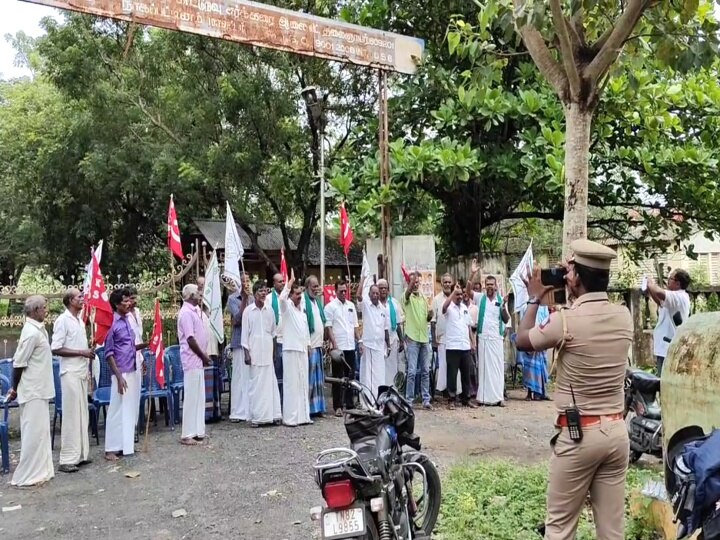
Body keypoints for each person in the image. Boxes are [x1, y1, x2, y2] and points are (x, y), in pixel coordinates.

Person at [515, 239, 633, 540]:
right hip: (617, 434)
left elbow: (523, 340)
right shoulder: (624, 317)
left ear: (577, 278)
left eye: (568, 271)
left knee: (560, 529)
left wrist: (533, 299)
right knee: (611, 533)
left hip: (579, 437)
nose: (564, 275)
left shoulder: (563, 321)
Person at [7, 296, 54, 487]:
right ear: (34, 311)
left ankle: (41, 470)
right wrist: (15, 388)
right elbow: (19, 363)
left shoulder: (38, 330)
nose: (46, 311)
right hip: (32, 389)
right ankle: (28, 474)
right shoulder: (31, 333)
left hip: (40, 387)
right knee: (33, 433)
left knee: (41, 432)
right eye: (43, 308)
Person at [51, 288, 95, 473]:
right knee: (71, 415)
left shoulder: (79, 320)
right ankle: (67, 459)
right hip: (69, 372)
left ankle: (80, 455)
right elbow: (56, 348)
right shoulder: (63, 320)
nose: (82, 299)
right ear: (70, 300)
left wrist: (88, 351)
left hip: (81, 371)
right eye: (79, 297)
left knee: (81, 413)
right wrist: (81, 352)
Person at [104, 287, 146, 461]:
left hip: (132, 367)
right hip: (121, 371)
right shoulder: (112, 324)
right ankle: (111, 449)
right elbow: (109, 353)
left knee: (130, 408)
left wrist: (146, 346)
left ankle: (125, 445)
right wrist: (119, 376)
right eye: (125, 302)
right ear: (116, 304)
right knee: (117, 408)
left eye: (130, 300)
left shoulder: (127, 320)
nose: (129, 304)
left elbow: (129, 346)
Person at [466, 264, 510, 406]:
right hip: (483, 338)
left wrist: (503, 306)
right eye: (487, 284)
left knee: (497, 368)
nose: (490, 287)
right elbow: (468, 291)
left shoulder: (501, 299)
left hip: (496, 338)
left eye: (492, 284)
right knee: (484, 369)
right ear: (485, 286)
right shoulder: (480, 298)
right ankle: (483, 398)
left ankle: (498, 398)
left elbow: (506, 319)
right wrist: (473, 274)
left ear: (496, 286)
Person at [241, 280, 282, 427]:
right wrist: (246, 353)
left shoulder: (270, 310)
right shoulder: (248, 311)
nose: (263, 294)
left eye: (265, 291)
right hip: (255, 352)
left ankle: (273, 415)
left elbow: (273, 333)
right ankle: (257, 417)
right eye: (260, 291)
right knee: (256, 385)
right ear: (254, 293)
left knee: (270, 383)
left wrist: (274, 353)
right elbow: (244, 335)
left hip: (267, 352)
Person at [177, 284, 211, 445]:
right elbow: (190, 338)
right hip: (192, 359)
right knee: (191, 397)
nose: (200, 295)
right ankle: (187, 434)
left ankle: (198, 430)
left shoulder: (195, 311)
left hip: (198, 361)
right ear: (191, 295)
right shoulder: (185, 313)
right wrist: (203, 356)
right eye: (198, 293)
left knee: (199, 396)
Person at [279, 270, 312, 426]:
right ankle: (290, 418)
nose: (300, 296)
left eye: (301, 294)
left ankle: (303, 416)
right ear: (291, 295)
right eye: (297, 294)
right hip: (291, 350)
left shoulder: (302, 313)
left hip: (302, 350)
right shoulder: (287, 309)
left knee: (302, 383)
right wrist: (289, 283)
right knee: (291, 384)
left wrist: (309, 345)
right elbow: (281, 299)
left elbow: (305, 332)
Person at [324, 279, 359, 416]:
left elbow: (355, 325)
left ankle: (349, 403)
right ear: (336, 291)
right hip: (338, 347)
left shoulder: (351, 305)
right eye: (341, 291)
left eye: (345, 290)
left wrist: (359, 340)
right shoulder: (330, 307)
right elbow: (329, 327)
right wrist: (335, 345)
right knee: (338, 377)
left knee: (350, 375)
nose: (344, 293)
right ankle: (337, 405)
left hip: (350, 345)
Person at [646, 268, 691, 374]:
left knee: (665, 381)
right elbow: (660, 302)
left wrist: (650, 283)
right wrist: (650, 289)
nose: (667, 281)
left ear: (677, 283)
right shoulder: (674, 298)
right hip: (664, 347)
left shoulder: (678, 296)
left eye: (670, 279)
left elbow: (658, 292)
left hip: (669, 348)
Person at [442, 285, 477, 409]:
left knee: (466, 374)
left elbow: (468, 326)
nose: (460, 296)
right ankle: (451, 400)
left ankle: (466, 399)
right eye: (457, 294)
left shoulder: (464, 308)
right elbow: (443, 307)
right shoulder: (449, 308)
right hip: (452, 346)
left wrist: (472, 343)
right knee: (452, 374)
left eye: (461, 294)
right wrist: (453, 293)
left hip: (465, 346)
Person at [402, 272, 432, 410]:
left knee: (426, 370)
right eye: (413, 281)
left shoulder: (424, 298)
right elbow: (408, 292)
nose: (415, 284)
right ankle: (409, 400)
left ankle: (426, 399)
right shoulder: (406, 297)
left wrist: (430, 315)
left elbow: (427, 318)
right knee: (412, 371)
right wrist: (411, 281)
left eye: (417, 282)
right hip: (413, 338)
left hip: (424, 337)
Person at [357, 279, 391, 398]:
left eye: (377, 293)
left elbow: (385, 329)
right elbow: (358, 296)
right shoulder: (366, 305)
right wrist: (362, 280)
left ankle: (378, 399)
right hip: (368, 345)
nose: (376, 295)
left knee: (379, 374)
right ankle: (368, 400)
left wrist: (389, 345)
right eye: (373, 293)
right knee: (368, 375)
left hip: (380, 346)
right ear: (369, 294)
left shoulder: (383, 309)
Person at [227, 275, 251, 422]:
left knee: (249, 377)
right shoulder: (232, 299)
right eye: (243, 280)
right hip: (238, 341)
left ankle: (249, 408)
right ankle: (237, 411)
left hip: (250, 342)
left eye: (247, 280)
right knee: (238, 377)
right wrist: (244, 301)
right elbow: (237, 320)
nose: (245, 283)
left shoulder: (253, 298)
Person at [516, 303, 551, 401]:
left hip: (540, 337)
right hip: (529, 337)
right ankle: (529, 392)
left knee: (541, 366)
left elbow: (547, 321)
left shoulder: (544, 307)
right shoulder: (525, 306)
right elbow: (522, 323)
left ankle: (539, 393)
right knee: (529, 367)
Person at [304, 275, 327, 418]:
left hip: (318, 345)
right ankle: (308, 408)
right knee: (310, 379)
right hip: (310, 346)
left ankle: (318, 408)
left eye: (317, 286)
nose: (316, 288)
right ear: (307, 287)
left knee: (319, 379)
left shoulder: (317, 302)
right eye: (313, 286)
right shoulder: (303, 302)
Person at [377, 279, 404, 386]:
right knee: (379, 368)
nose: (383, 290)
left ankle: (391, 391)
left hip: (392, 340)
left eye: (385, 288)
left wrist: (402, 341)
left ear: (388, 290)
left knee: (392, 367)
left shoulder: (393, 303)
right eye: (381, 288)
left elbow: (397, 324)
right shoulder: (374, 303)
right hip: (378, 342)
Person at [431, 274, 454, 396]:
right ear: (441, 284)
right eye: (445, 282)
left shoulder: (456, 298)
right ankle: (444, 390)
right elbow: (433, 322)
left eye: (449, 282)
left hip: (455, 338)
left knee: (454, 364)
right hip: (442, 337)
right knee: (444, 364)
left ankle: (453, 389)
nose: (447, 284)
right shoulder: (436, 300)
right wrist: (434, 340)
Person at [269, 273, 285, 398]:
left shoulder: (287, 298)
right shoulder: (269, 299)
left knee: (287, 375)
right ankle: (277, 402)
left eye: (283, 281)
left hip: (288, 341)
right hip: (276, 341)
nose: (283, 283)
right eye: (280, 281)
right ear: (274, 284)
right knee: (277, 373)